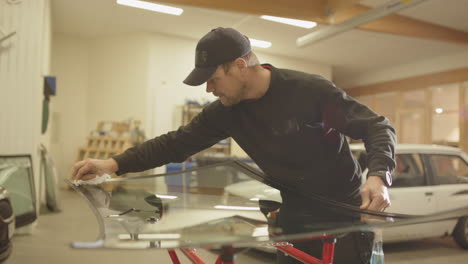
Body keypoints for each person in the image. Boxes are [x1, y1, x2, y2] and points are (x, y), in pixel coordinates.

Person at [72, 27, 396, 263]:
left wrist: (379, 176)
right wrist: (113, 164)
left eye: (213, 79)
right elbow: (175, 144)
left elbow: (376, 127)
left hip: (345, 215)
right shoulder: (226, 112)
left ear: (240, 66)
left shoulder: (310, 91)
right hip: (295, 215)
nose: (210, 89)